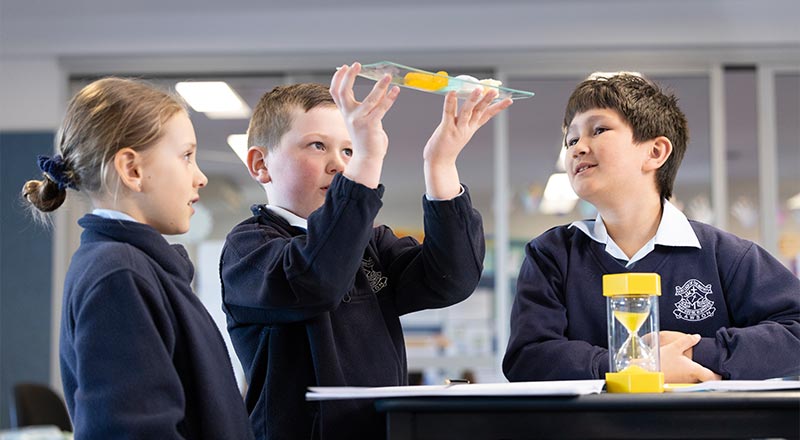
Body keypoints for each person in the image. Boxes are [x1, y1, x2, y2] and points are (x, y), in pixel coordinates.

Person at [220, 62, 512, 439]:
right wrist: (367, 162)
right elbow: (316, 277)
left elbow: (450, 279)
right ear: (261, 164)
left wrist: (440, 165)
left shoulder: (370, 246)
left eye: (349, 149)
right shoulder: (249, 249)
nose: (340, 165)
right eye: (318, 146)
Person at [503, 72, 800, 384]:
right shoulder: (551, 254)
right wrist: (636, 364)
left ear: (655, 152)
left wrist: (694, 354)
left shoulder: (725, 255)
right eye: (572, 139)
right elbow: (528, 357)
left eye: (598, 130)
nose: (577, 148)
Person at [22, 77, 254, 439]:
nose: (201, 177)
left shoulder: (135, 267)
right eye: (186, 156)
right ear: (132, 170)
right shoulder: (119, 274)